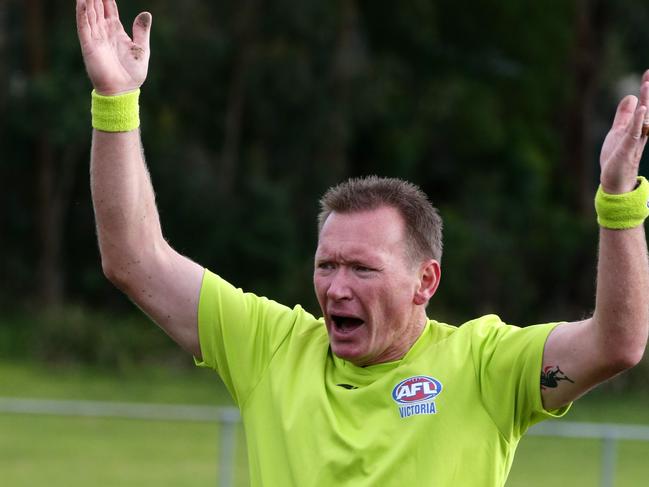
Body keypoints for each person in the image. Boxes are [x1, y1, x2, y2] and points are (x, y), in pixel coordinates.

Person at [76, 1, 649, 485]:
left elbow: (617, 343)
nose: (337, 287)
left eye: (362, 269)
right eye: (326, 265)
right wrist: (115, 100)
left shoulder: (486, 366)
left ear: (425, 281)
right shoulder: (269, 348)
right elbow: (134, 258)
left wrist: (619, 201)